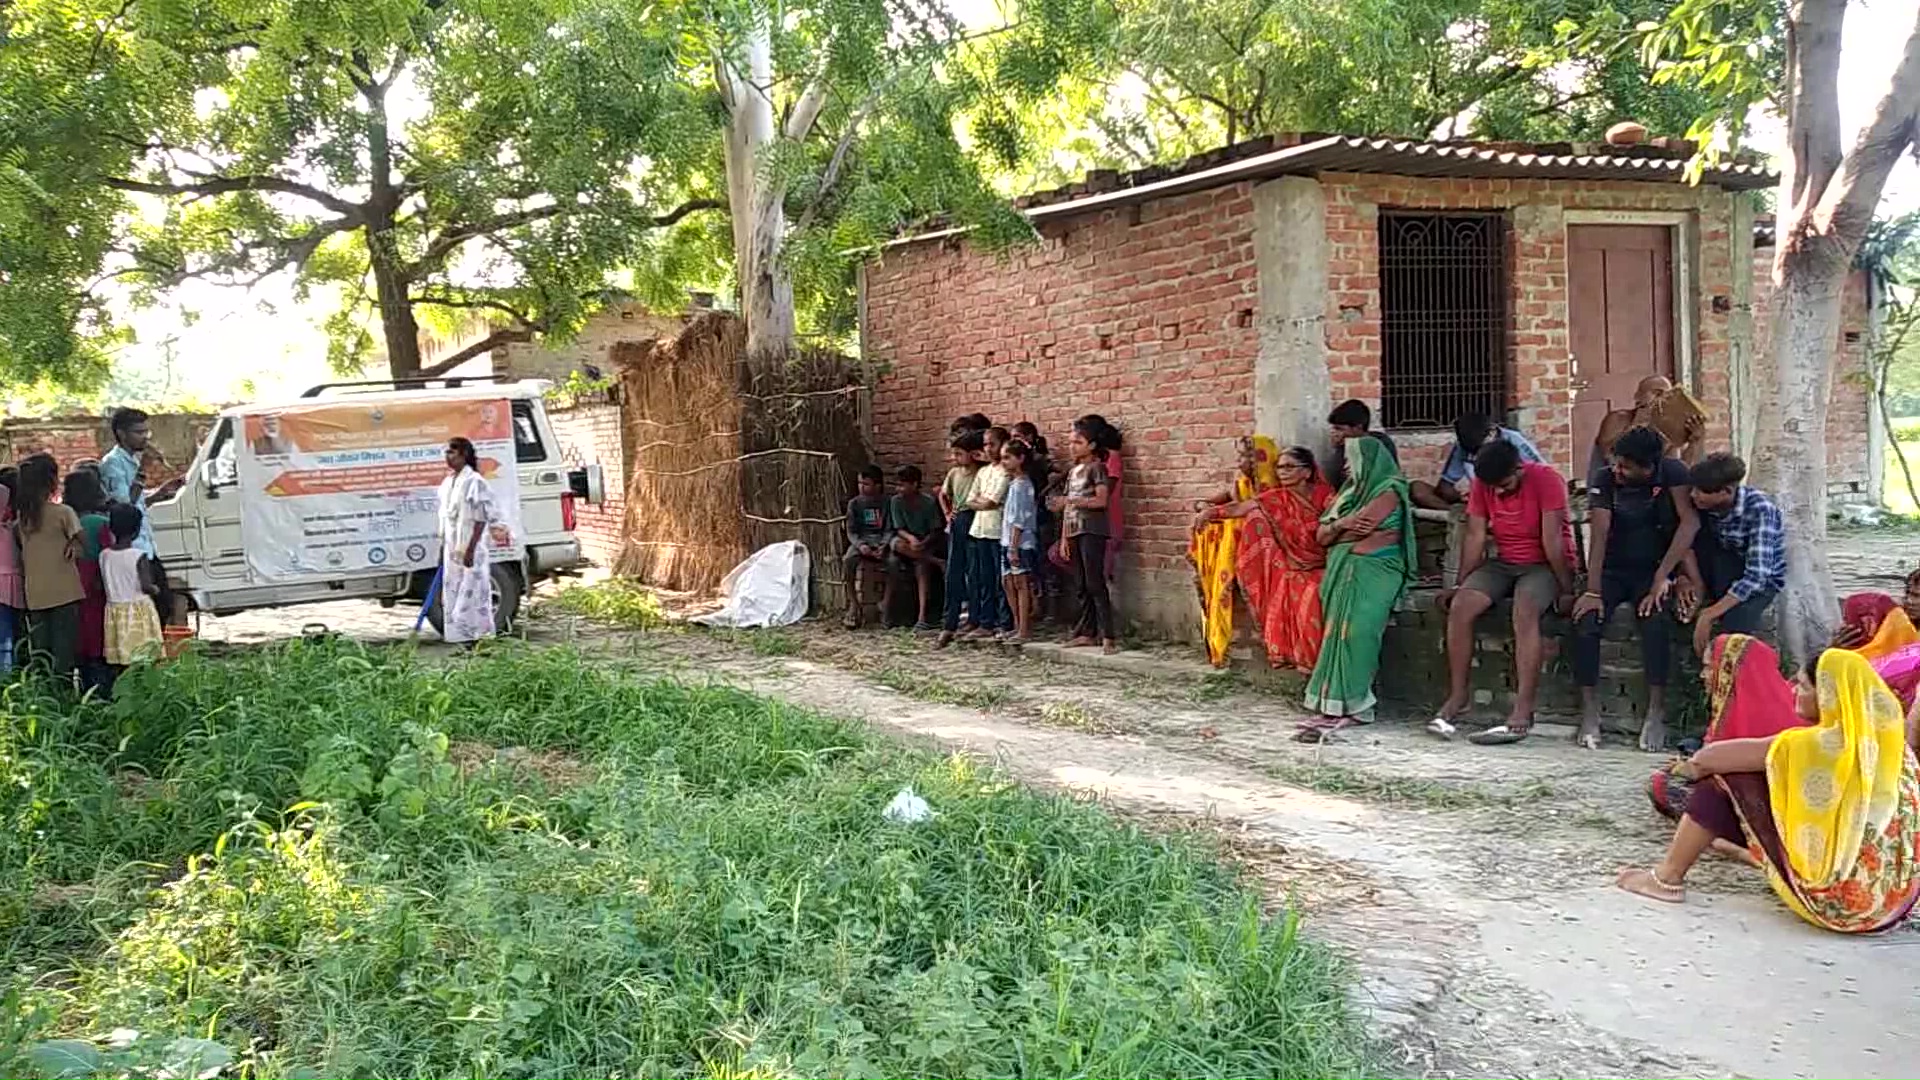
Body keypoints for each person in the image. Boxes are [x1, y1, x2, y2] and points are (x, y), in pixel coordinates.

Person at [1620, 647, 1920, 935]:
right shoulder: (1897, 750)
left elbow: (1706, 760)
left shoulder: (1815, 744)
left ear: (1829, 695)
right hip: (1890, 909)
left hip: (1839, 908)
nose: (1794, 692)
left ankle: (1666, 878)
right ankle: (1738, 854)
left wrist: (1685, 770)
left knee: (1722, 782)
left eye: (1803, 686)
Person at [1432, 439, 1576, 742]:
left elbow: (1552, 540)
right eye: (1492, 487)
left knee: (1525, 610)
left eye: (1505, 484)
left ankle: (1523, 707)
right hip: (1504, 562)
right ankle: (1458, 696)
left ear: (1519, 469)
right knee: (1461, 606)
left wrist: (1566, 588)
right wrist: (1460, 584)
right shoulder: (1484, 483)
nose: (1497, 492)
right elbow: (1475, 536)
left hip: (1543, 565)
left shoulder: (1547, 479)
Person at [1573, 425, 1703, 751]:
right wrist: (1592, 590)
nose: (1617, 471)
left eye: (1626, 467)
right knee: (1586, 622)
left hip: (1653, 567)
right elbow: (1599, 535)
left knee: (1655, 620)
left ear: (1649, 467)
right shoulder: (1605, 478)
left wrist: (1663, 576)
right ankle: (1589, 712)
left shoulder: (1672, 472)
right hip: (1613, 568)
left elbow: (1689, 523)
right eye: (1616, 463)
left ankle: (1655, 711)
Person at [1302, 436, 1415, 736]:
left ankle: (1358, 707)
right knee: (1334, 635)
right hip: (1345, 570)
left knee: (1359, 633)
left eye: (1352, 460)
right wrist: (1341, 525)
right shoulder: (1349, 492)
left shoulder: (1389, 489)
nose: (1346, 466)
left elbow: (1359, 528)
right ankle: (1331, 706)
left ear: (1369, 460)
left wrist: (1337, 531)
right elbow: (1322, 536)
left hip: (1377, 570)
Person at [1645, 634, 1807, 823]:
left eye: (1708, 667)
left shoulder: (1761, 714)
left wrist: (1684, 767)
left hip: (1776, 810)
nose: (1702, 675)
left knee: (1665, 785)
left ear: (1726, 673)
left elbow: (1705, 763)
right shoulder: (1785, 701)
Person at [1207, 446, 1335, 673]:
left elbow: (1337, 518)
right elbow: (1240, 508)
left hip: (1326, 562)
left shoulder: (1325, 494)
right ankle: (1305, 666)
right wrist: (1208, 513)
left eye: (1289, 467)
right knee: (1299, 592)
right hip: (1295, 567)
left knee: (1314, 593)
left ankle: (1321, 669)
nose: (1282, 472)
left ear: (1306, 472)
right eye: (1279, 467)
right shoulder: (1275, 498)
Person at [1189, 435, 1281, 666]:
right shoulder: (1243, 481)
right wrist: (1205, 504)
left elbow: (1243, 508)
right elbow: (1228, 497)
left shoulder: (1272, 488)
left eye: (1243, 457)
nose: (1238, 462)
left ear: (1257, 459)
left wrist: (1213, 513)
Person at [1687, 452, 1785, 656]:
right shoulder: (1704, 505)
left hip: (1759, 580)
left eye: (1701, 491)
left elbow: (1757, 576)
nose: (1693, 495)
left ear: (1726, 492)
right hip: (1724, 565)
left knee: (1734, 631)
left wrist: (1710, 614)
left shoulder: (1760, 510)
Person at [97, 407, 181, 625]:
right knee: (150, 608)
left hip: (146, 545)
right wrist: (142, 471)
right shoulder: (113, 463)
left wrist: (159, 494)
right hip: (131, 549)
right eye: (139, 432)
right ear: (121, 433)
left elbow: (138, 502)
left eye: (146, 432)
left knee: (164, 605)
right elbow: (125, 506)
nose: (145, 437)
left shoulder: (131, 460)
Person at [13, 454, 86, 680]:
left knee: (41, 654)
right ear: (51, 481)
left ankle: (43, 694)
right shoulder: (63, 512)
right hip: (65, 592)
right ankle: (63, 693)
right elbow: (83, 542)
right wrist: (74, 544)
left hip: (35, 594)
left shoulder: (22, 519)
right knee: (64, 654)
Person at [1052, 416, 1117, 653]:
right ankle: (1087, 632)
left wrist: (1070, 500)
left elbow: (1101, 500)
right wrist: (1064, 538)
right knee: (1080, 584)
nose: (1072, 446)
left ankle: (1108, 634)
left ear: (1092, 445)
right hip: (1074, 530)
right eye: (1071, 442)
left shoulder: (1097, 468)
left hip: (1092, 530)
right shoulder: (1073, 472)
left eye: (1078, 442)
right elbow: (1067, 509)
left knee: (1094, 582)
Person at [1410, 412, 1544, 511]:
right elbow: (1445, 487)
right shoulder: (1463, 447)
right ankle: (1459, 515)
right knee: (1418, 490)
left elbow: (1540, 477)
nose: (1476, 455)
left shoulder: (1514, 440)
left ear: (1491, 433)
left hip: (1512, 498)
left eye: (1479, 449)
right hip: (1480, 499)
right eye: (1472, 452)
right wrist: (1462, 498)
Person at [437, 437, 499, 645]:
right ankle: (462, 639)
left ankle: (480, 640)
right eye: (447, 452)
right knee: (453, 591)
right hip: (452, 547)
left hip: (471, 546)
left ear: (464, 455)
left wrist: (470, 549)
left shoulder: (474, 481)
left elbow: (480, 518)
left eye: (452, 452)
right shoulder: (448, 482)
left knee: (473, 594)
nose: (448, 456)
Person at [1589, 375, 1710, 481]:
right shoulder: (1619, 418)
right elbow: (1609, 456)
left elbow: (1678, 472)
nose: (1636, 398)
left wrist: (1694, 442)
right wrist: (1636, 424)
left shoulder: (1668, 431)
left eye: (1640, 393)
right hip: (1614, 485)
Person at [62, 467, 113, 694]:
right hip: (97, 583)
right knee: (98, 636)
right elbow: (109, 553)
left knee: (80, 635)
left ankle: (84, 689)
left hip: (71, 582)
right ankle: (102, 690)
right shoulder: (100, 523)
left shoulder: (65, 520)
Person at [935, 429, 985, 648]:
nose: (954, 458)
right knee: (954, 571)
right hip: (959, 520)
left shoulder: (981, 472)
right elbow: (943, 494)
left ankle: (974, 618)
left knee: (974, 571)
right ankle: (949, 622)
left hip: (976, 519)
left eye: (959, 454)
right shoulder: (954, 473)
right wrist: (947, 513)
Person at [964, 426, 1013, 640]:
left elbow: (993, 501)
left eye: (992, 444)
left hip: (998, 530)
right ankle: (986, 622)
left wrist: (982, 502)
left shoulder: (1006, 471)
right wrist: (982, 503)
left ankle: (1005, 622)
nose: (988, 448)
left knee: (1001, 580)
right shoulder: (983, 472)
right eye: (985, 444)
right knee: (984, 578)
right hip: (980, 529)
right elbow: (969, 499)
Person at [101, 503, 163, 668]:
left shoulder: (104, 555)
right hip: (138, 611)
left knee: (121, 658)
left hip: (115, 612)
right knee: (144, 654)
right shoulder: (139, 556)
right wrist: (156, 589)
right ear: (136, 531)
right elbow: (146, 586)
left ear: (111, 528)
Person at [885, 464, 942, 630]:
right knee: (896, 544)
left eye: (902, 485)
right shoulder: (896, 501)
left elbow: (935, 530)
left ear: (915, 484)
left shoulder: (928, 502)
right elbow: (899, 528)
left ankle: (922, 617)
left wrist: (923, 542)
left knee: (922, 568)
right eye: (897, 485)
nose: (899, 489)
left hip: (924, 543)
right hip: (906, 542)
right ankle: (936, 561)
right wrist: (911, 539)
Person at [999, 439, 1040, 645]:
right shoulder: (1013, 484)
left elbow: (1019, 519)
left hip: (1020, 542)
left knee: (1021, 583)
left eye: (1008, 457)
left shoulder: (1023, 486)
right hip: (1007, 540)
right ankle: (1016, 625)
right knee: (1008, 582)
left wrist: (1014, 547)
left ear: (1021, 458)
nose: (1003, 462)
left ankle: (1024, 628)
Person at [841, 464, 891, 629]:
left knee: (894, 563)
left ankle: (885, 604)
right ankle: (854, 604)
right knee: (848, 560)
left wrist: (883, 545)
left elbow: (890, 528)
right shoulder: (854, 504)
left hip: (881, 541)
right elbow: (851, 531)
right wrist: (861, 545)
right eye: (860, 483)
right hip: (861, 541)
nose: (861, 487)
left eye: (866, 484)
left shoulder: (887, 502)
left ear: (878, 485)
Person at [1324, 399, 1399, 488]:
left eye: (1340, 429)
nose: (1334, 433)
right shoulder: (1343, 445)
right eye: (1333, 428)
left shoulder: (1380, 443)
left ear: (1358, 427)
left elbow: (1385, 474)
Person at [0, 467, 22, 676]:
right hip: (7, 587)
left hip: (11, 587)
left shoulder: (12, 527)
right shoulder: (12, 528)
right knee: (6, 637)